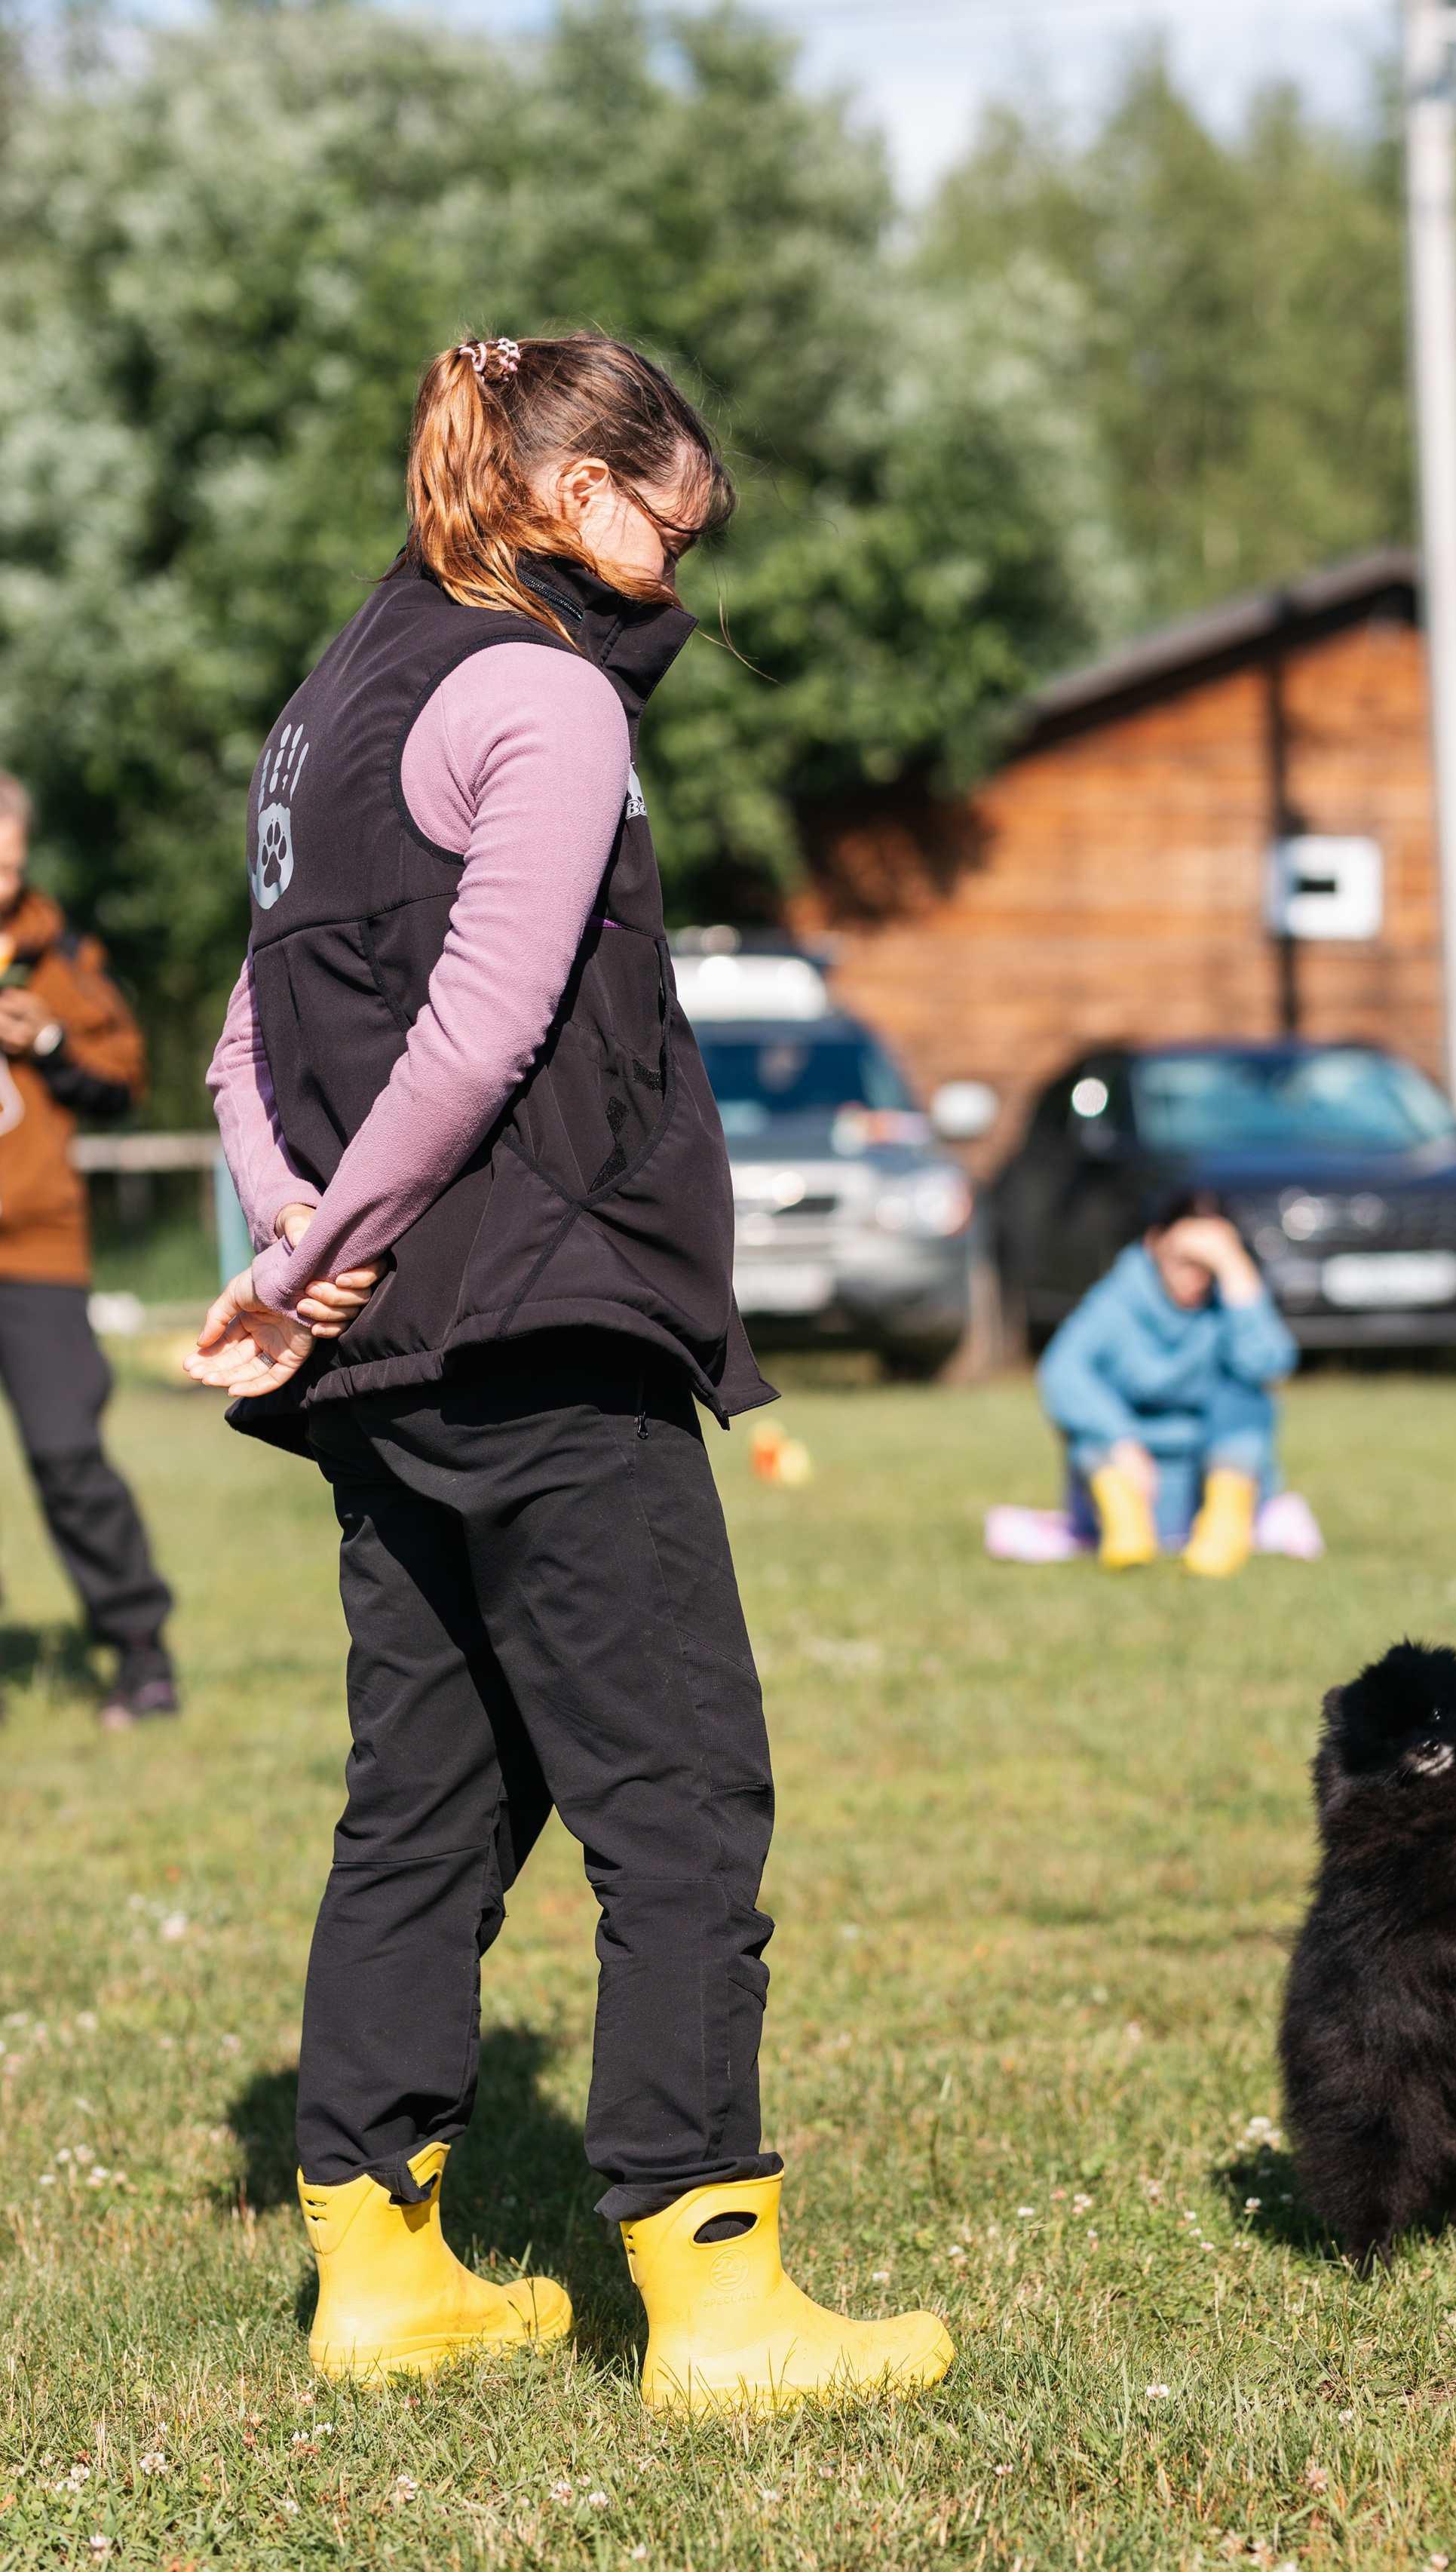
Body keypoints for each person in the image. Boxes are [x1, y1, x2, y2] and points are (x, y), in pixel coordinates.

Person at [190, 333, 952, 2411]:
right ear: (574, 491)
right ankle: (714, 2293)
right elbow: (485, 1033)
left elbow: (243, 1040)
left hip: (389, 1362)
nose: (671, 575)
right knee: (682, 1797)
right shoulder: (533, 691)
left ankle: (380, 2268)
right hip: (541, 1318)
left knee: (428, 1799)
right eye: (664, 522)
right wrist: (323, 1249)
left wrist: (300, 1262)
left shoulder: (327, 700)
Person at [0, 778, 176, 1726]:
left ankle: (141, 1651)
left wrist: (53, 1037)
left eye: (12, 863)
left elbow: (125, 1077)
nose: (2, 878)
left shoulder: (59, 955)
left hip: (34, 1246)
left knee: (69, 1455)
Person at [1037, 1187, 1297, 1576]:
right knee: (1089, 1428)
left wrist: (1235, 1270)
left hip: (1212, 1484)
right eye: (1185, 1258)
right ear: (1155, 1243)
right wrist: (1118, 1437)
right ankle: (1127, 1537)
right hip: (1124, 1483)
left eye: (1207, 1262)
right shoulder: (1118, 1301)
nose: (1196, 1273)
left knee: (1246, 1396)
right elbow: (1061, 1373)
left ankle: (1225, 1529)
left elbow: (1269, 1365)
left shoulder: (1227, 1304)